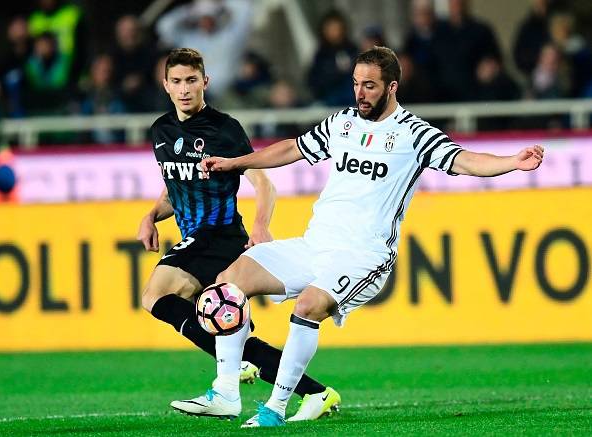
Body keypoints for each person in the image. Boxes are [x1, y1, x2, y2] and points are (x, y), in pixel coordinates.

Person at [194, 46, 544, 427]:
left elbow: (464, 160)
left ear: (392, 87)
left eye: (370, 86)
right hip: (316, 245)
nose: (360, 93)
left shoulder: (414, 134)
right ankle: (227, 392)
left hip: (364, 255)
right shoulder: (343, 122)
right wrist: (235, 162)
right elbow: (293, 149)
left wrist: (512, 162)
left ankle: (274, 409)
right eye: (356, 84)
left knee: (308, 305)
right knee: (227, 285)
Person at [137, 48, 340, 421]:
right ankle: (316, 392)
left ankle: (229, 369)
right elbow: (175, 189)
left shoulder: (223, 129)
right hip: (195, 235)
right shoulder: (160, 131)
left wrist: (261, 224)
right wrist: (151, 215)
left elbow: (262, 181)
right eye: (177, 82)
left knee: (155, 295)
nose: (185, 89)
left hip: (220, 234)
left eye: (192, 81)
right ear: (165, 85)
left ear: (205, 82)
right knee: (231, 331)